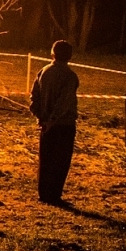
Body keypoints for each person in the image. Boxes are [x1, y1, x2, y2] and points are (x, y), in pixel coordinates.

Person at [30, 39, 80, 205]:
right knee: (61, 161)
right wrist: (52, 119)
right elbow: (64, 102)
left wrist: (40, 116)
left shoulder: (43, 71)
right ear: (70, 56)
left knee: (46, 159)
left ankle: (43, 193)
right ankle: (54, 194)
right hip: (63, 125)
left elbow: (34, 96)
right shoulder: (70, 76)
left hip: (45, 124)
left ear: (53, 53)